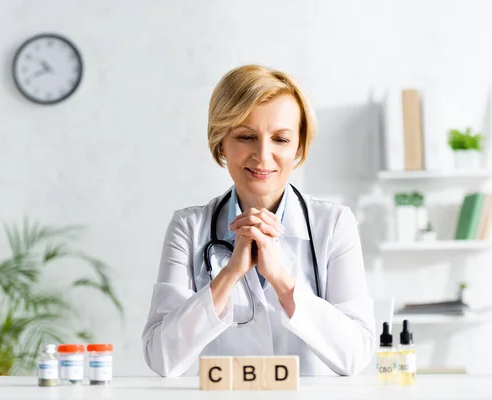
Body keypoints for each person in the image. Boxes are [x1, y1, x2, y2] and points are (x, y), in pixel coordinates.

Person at [141, 64, 375, 378]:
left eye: (280, 139)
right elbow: (162, 358)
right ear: (221, 141)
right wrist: (229, 274)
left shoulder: (334, 224)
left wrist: (281, 279)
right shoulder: (188, 227)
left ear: (299, 146)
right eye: (246, 136)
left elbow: (355, 356)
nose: (262, 156)